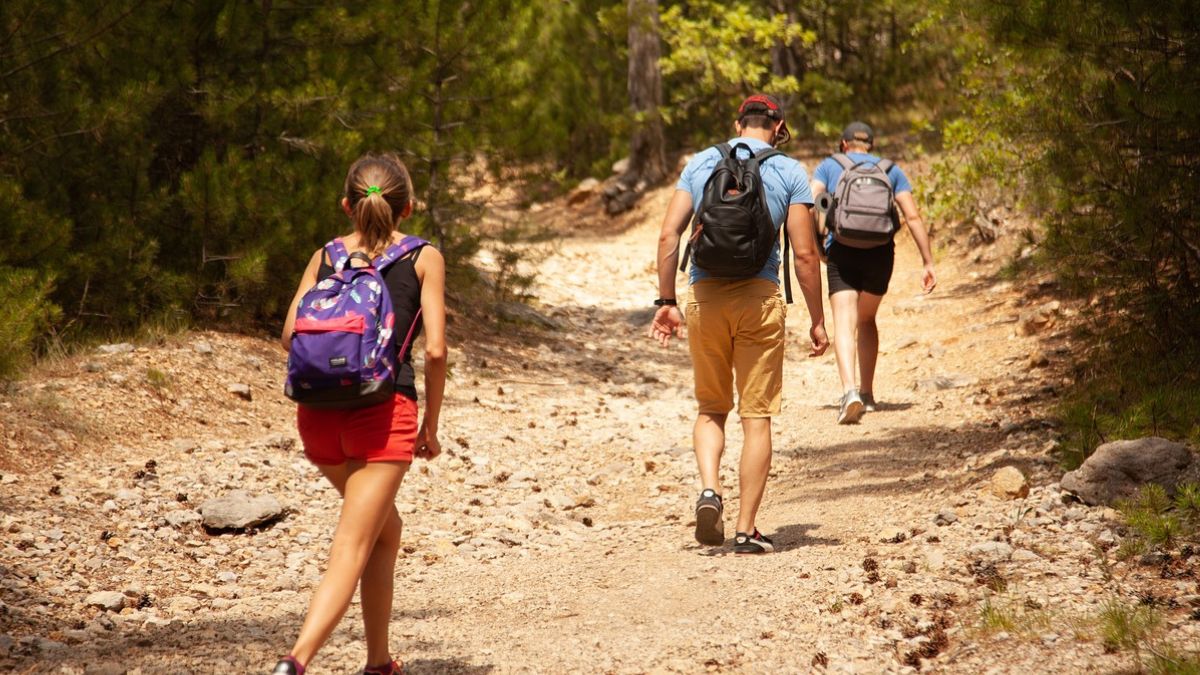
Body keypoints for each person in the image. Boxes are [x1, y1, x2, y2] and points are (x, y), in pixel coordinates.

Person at [274, 153, 447, 675]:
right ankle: (294, 662)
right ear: (408, 208)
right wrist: (430, 427)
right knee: (351, 547)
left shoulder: (325, 255)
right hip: (383, 414)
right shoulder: (424, 257)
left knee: (385, 531)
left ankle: (378, 663)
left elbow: (289, 335)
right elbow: (436, 350)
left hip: (317, 418)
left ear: (346, 206)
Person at [649, 94, 829, 554]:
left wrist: (666, 301)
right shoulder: (789, 171)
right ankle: (747, 529)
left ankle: (710, 490)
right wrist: (817, 320)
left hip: (705, 297)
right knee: (756, 416)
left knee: (712, 408)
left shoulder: (702, 162)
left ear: (737, 124)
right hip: (759, 299)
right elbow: (805, 255)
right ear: (779, 127)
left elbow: (669, 234)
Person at [811, 122, 936, 424]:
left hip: (842, 250)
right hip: (880, 254)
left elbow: (814, 203)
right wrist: (928, 261)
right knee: (866, 319)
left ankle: (849, 392)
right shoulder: (890, 169)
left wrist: (817, 244)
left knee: (844, 321)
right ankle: (867, 394)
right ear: (871, 145)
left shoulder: (830, 165)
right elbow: (912, 216)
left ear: (844, 144)